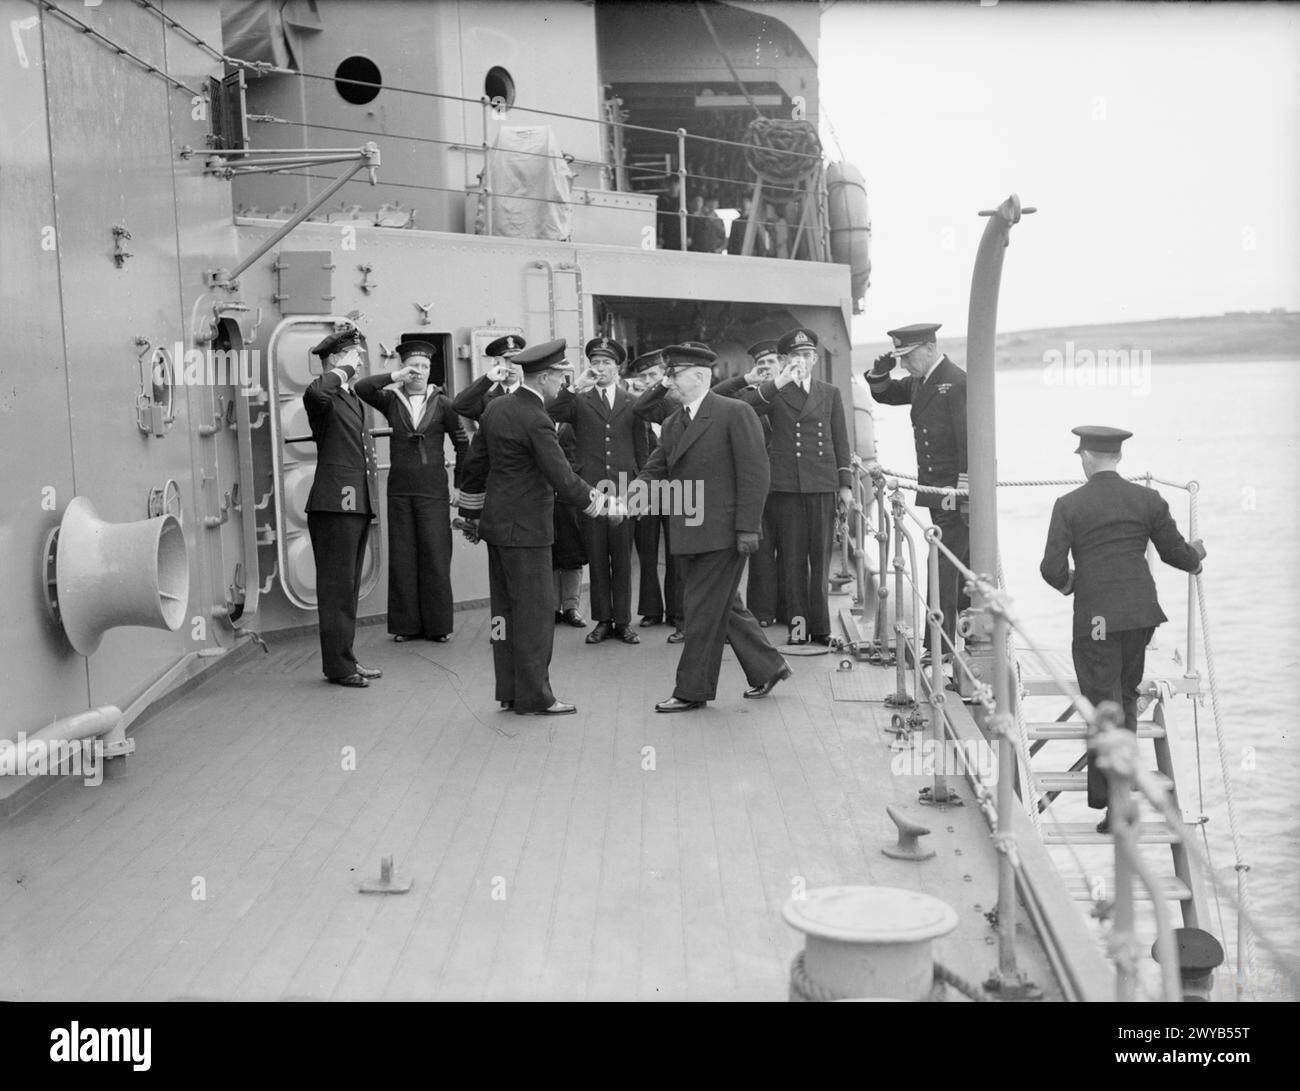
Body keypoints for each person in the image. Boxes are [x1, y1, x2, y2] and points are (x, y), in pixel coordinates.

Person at [1040, 426, 1206, 833]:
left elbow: (1051, 569)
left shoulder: (1069, 504)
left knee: (1102, 706)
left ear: (1085, 457)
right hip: (1140, 616)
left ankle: (1113, 805)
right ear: (1118, 458)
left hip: (1097, 620)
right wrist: (1197, 556)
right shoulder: (1147, 499)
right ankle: (1119, 799)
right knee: (1125, 699)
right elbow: (1176, 554)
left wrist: (1073, 584)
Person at [457, 339, 623, 715]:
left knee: (503, 615)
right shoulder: (536, 417)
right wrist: (602, 505)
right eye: (560, 378)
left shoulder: (497, 408)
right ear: (545, 377)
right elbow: (562, 478)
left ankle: (510, 690)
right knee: (533, 618)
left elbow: (474, 467)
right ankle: (535, 697)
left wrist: (472, 515)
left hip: (497, 530)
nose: (562, 386)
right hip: (527, 532)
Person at [632, 343, 789, 712]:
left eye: (674, 374)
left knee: (700, 611)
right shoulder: (673, 422)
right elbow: (657, 467)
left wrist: (748, 528)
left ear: (700, 377)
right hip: (691, 530)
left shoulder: (735, 412)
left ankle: (691, 690)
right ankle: (770, 665)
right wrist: (631, 496)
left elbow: (755, 473)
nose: (669, 381)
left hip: (725, 532)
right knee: (724, 606)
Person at [740, 328, 853, 646]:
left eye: (807, 355)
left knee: (820, 560)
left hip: (821, 485)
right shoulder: (775, 390)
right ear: (786, 360)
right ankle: (799, 629)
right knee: (792, 562)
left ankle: (821, 629)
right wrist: (779, 381)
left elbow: (840, 440)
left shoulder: (829, 392)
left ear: (815, 359)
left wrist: (845, 485)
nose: (802, 361)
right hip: (786, 487)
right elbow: (746, 407)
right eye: (795, 356)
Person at [355, 335, 469, 643]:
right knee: (403, 556)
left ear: (431, 370)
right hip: (400, 490)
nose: (418, 371)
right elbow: (362, 388)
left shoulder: (445, 403)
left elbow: (462, 445)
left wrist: (459, 485)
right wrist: (394, 378)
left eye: (424, 365)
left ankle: (438, 625)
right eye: (412, 366)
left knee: (434, 554)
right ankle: (406, 626)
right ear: (403, 369)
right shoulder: (391, 398)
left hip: (433, 490)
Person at [865, 322, 968, 661]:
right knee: (952, 563)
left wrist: (963, 489)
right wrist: (879, 373)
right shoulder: (921, 382)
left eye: (907, 357)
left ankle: (938, 645)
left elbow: (969, 439)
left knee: (942, 564)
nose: (905, 364)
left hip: (953, 492)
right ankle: (955, 641)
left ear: (928, 348)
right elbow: (885, 395)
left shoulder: (956, 382)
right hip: (935, 490)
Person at [302, 326, 382, 688]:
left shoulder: (352, 399)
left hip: (356, 503)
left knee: (348, 589)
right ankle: (338, 667)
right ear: (334, 359)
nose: (359, 361)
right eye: (352, 355)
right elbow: (318, 389)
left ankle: (345, 659)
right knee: (336, 590)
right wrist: (340, 370)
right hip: (334, 505)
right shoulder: (323, 395)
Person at [549, 336, 640, 645]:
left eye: (606, 363)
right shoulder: (579, 400)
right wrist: (575, 384)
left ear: (618, 367)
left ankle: (623, 621)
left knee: (623, 559)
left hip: (624, 489)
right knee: (598, 557)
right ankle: (603, 620)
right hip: (591, 492)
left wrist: (638, 487)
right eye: (595, 363)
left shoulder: (632, 401)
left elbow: (642, 448)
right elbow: (552, 411)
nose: (600, 368)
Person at [712, 339, 784, 627]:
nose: (766, 368)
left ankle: (792, 610)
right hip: (757, 484)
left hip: (790, 481)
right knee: (762, 552)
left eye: (770, 363)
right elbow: (715, 396)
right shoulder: (745, 396)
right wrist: (748, 380)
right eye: (761, 364)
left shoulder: (796, 390)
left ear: (782, 364)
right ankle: (763, 612)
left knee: (791, 551)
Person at [624, 349, 683, 636]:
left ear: (665, 375)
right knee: (646, 550)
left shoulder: (675, 402)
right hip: (645, 486)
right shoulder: (636, 407)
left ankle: (676, 609)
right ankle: (650, 610)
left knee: (676, 550)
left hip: (679, 487)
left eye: (653, 374)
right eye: (643, 376)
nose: (648, 380)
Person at [657, 175, 683, 251]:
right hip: (667, 234)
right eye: (671, 184)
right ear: (667, 185)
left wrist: (689, 235)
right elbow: (659, 219)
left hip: (680, 234)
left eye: (676, 184)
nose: (673, 186)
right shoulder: (662, 200)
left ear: (679, 185)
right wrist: (659, 235)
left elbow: (689, 220)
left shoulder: (683, 201)